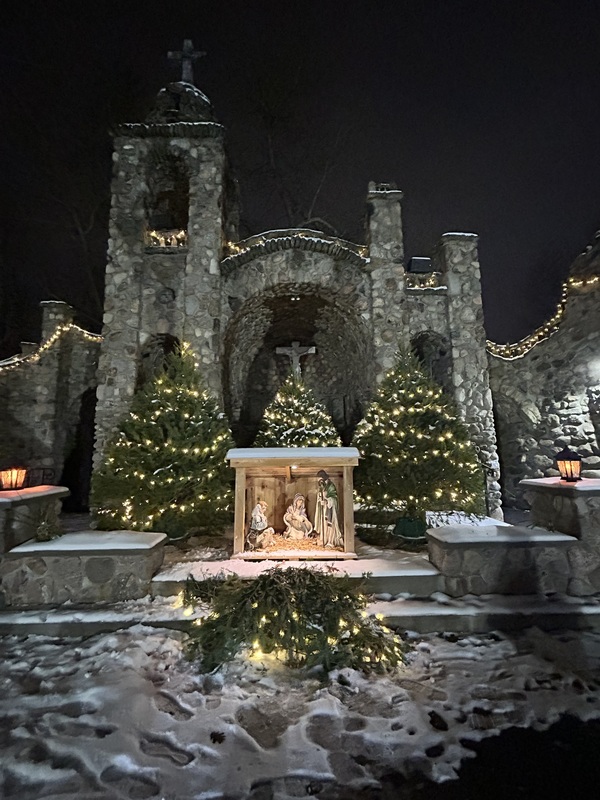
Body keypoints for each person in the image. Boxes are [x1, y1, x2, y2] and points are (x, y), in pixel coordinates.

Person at [314, 470, 343, 548]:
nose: (319, 481)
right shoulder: (322, 486)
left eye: (320, 479)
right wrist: (320, 499)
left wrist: (327, 501)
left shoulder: (331, 486)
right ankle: (324, 539)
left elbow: (334, 498)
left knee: (330, 525)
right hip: (323, 509)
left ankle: (330, 541)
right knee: (324, 524)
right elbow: (320, 496)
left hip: (330, 510)